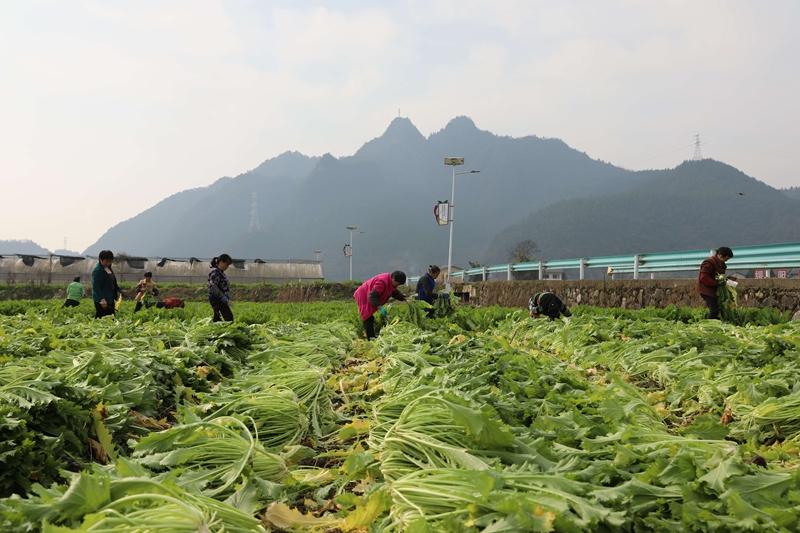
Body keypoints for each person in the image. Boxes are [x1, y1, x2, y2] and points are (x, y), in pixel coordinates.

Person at [354, 270, 407, 339]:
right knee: (367, 317)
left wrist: (403, 298)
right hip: (363, 295)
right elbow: (372, 296)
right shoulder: (382, 282)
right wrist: (380, 307)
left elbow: (394, 292)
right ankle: (371, 339)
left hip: (369, 294)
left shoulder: (390, 283)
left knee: (370, 317)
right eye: (398, 283)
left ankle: (372, 336)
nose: (397, 285)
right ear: (393, 279)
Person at [696, 246, 735, 320]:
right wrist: (716, 283)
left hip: (714, 289)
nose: (726, 261)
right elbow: (703, 277)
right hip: (706, 290)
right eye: (725, 259)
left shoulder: (720, 263)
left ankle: (716, 324)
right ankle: (706, 326)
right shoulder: (709, 263)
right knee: (714, 310)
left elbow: (719, 275)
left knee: (719, 309)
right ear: (720, 255)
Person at [92, 250, 121, 319]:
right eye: (107, 261)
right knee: (101, 318)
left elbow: (111, 281)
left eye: (110, 261)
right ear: (101, 260)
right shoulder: (98, 271)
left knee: (110, 318)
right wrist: (102, 299)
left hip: (109, 298)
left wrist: (118, 289)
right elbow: (96, 286)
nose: (109, 263)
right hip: (102, 300)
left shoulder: (108, 268)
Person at [208, 254, 233, 322]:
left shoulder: (220, 272)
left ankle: (216, 330)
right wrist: (221, 296)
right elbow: (213, 286)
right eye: (227, 264)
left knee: (218, 318)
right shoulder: (215, 271)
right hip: (217, 299)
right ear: (221, 262)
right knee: (228, 317)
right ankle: (226, 331)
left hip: (220, 299)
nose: (227, 267)